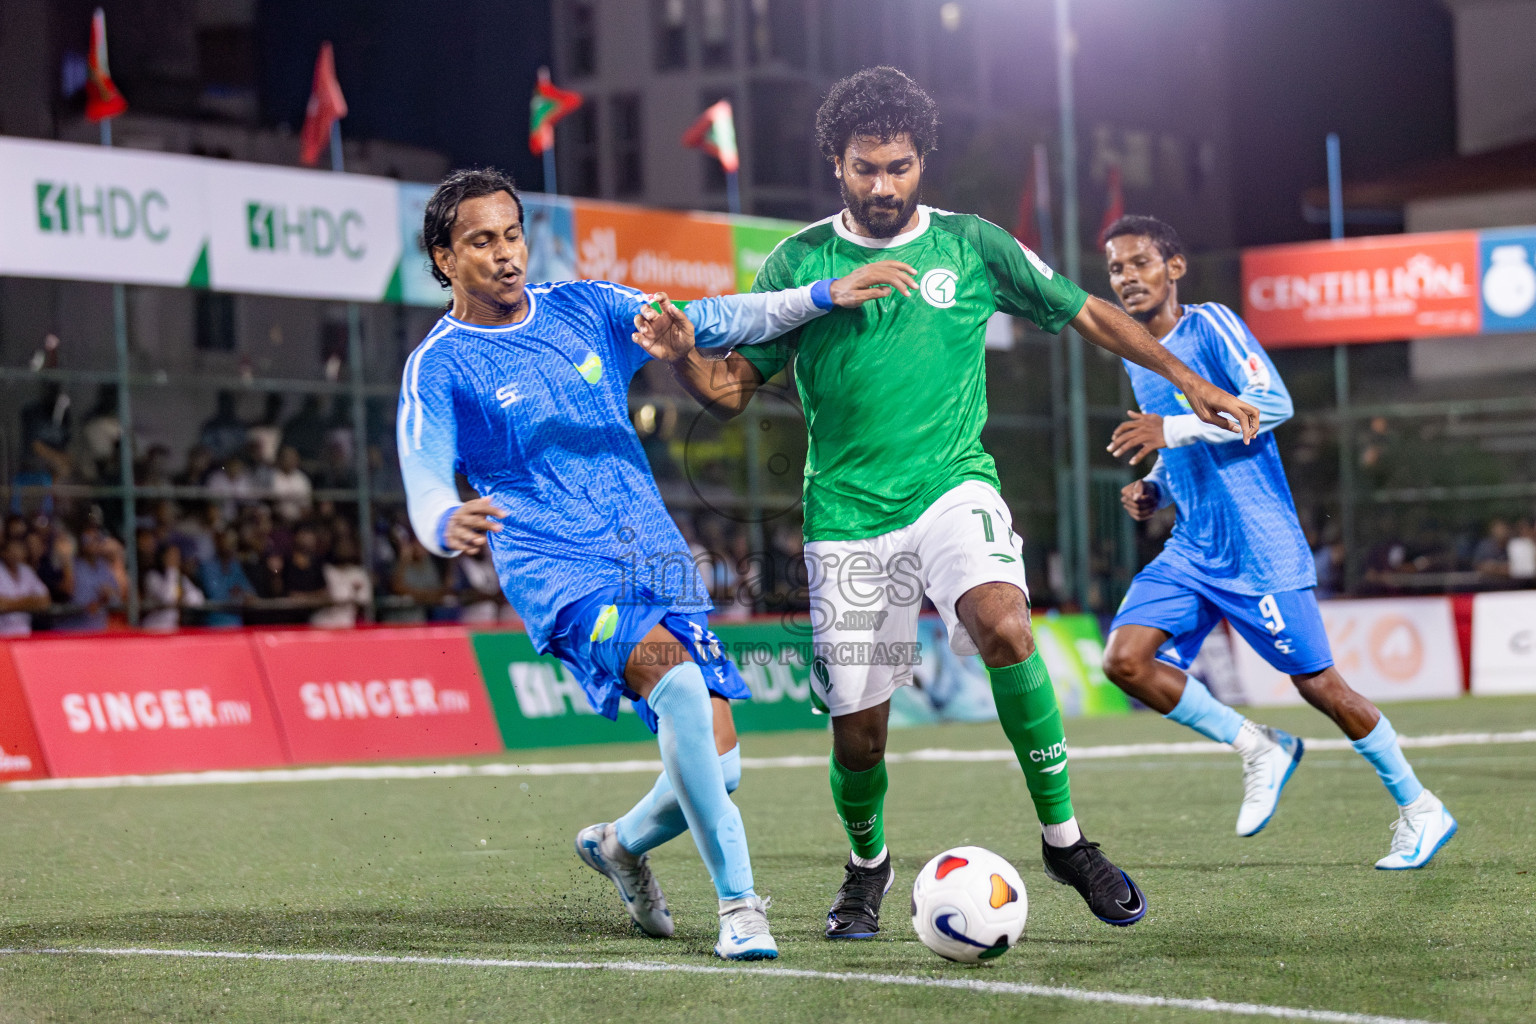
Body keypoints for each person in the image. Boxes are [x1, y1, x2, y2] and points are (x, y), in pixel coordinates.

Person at [638, 67, 1257, 937]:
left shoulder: (972, 244)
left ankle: (1066, 840)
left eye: (898, 166)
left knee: (1005, 624)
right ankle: (866, 870)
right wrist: (678, 353)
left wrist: (1186, 380)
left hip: (952, 487)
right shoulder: (800, 262)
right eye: (865, 169)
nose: (883, 185)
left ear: (922, 158)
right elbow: (734, 389)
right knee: (861, 734)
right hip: (846, 516)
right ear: (837, 165)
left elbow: (1082, 312)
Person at [398, 167, 909, 960]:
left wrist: (820, 296)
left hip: (652, 554)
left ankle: (620, 845)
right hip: (558, 568)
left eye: (511, 235)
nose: (505, 255)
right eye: (480, 242)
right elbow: (422, 465)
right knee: (674, 685)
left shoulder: (584, 307)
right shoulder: (443, 363)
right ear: (442, 259)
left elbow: (710, 316)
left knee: (722, 763)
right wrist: (441, 518)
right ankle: (741, 907)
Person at [1097, 214, 1457, 870]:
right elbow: (1178, 444)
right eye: (1116, 268)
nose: (1127, 278)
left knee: (1320, 686)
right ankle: (1258, 746)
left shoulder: (1212, 325)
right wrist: (1156, 484)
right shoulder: (1135, 354)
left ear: (1173, 267)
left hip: (1259, 547)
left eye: (1140, 262)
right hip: (1193, 548)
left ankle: (1420, 808)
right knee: (1125, 662)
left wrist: (1170, 434)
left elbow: (1272, 403)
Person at [198, 527, 254, 627]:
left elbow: (249, 592)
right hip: (214, 624)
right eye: (225, 542)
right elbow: (216, 597)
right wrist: (238, 595)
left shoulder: (235, 565)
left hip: (236, 623)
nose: (229, 547)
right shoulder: (207, 567)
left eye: (232, 543)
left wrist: (239, 594)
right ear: (218, 543)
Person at [142, 544, 205, 631]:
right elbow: (168, 598)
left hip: (171, 627)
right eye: (170, 556)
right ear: (162, 557)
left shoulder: (179, 577)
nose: (174, 559)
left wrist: (185, 597)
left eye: (176, 556)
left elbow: (198, 599)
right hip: (153, 627)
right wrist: (171, 570)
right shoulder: (152, 577)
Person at [0, 535, 50, 637]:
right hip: (3, 634)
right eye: (12, 550)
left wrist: (10, 603)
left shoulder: (26, 570)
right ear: (4, 552)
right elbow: (1, 605)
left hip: (25, 633)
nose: (15, 554)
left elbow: (45, 601)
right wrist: (30, 602)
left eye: (18, 549)